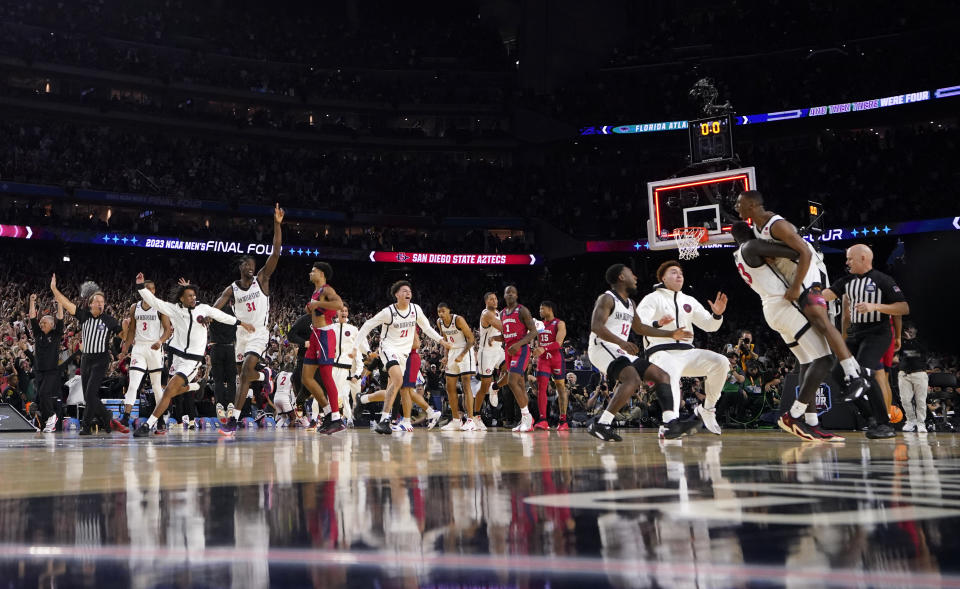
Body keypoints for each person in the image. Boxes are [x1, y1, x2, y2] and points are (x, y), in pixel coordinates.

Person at [734, 190, 870, 400]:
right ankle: (857, 371)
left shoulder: (777, 225)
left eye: (738, 203)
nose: (736, 206)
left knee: (821, 322)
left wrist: (796, 287)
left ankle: (854, 376)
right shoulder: (757, 227)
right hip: (796, 275)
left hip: (808, 273)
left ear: (752, 205)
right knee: (818, 331)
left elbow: (804, 253)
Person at [730, 221, 844, 441]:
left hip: (772, 310)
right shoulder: (752, 247)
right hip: (783, 305)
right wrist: (790, 236)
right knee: (825, 359)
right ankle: (794, 415)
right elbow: (796, 250)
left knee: (807, 361)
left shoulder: (739, 255)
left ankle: (812, 423)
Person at [132, 274, 255, 437]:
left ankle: (148, 425)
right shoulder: (174, 309)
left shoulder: (203, 309)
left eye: (194, 295)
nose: (193, 298)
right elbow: (156, 302)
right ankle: (190, 387)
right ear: (181, 298)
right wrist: (141, 286)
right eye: (189, 295)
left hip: (192, 360)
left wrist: (241, 323)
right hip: (176, 355)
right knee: (171, 391)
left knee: (168, 390)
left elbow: (222, 316)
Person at [586, 264, 693, 441]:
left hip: (620, 349)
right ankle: (602, 423)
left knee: (661, 375)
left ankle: (670, 424)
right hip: (602, 347)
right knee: (633, 379)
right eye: (631, 274)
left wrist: (670, 333)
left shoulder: (631, 304)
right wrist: (622, 341)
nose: (636, 277)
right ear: (621, 277)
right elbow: (596, 326)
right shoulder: (607, 298)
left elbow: (640, 328)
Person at [821, 244, 910, 438]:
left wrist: (875, 306)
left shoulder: (883, 280)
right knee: (837, 372)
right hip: (855, 333)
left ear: (863, 258)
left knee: (865, 372)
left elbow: (903, 308)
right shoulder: (847, 281)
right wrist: (807, 296)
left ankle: (884, 424)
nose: (846, 262)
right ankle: (870, 416)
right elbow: (828, 294)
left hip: (878, 333)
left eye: (850, 259)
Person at [636, 261, 729, 436]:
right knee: (670, 369)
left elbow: (710, 326)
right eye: (673, 272)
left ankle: (707, 409)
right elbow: (640, 323)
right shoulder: (652, 298)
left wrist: (717, 314)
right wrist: (659, 324)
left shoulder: (689, 300)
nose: (679, 275)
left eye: (681, 273)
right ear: (663, 278)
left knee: (721, 362)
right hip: (661, 352)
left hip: (687, 352)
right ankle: (670, 422)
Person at [213, 203, 284, 430]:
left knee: (244, 375)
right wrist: (207, 316)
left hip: (259, 333)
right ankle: (264, 375)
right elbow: (217, 306)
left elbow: (275, 252)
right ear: (241, 267)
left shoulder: (261, 280)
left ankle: (233, 420)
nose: (252, 266)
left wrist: (277, 224)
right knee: (243, 375)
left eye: (253, 263)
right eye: (247, 264)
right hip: (241, 334)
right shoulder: (232, 288)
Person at [357, 280, 451, 434]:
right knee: (400, 383)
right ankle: (391, 419)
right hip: (388, 348)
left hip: (404, 353)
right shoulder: (388, 312)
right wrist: (356, 347)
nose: (408, 293)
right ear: (397, 295)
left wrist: (441, 340)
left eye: (410, 291)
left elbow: (426, 327)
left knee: (393, 388)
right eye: (404, 291)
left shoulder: (415, 309)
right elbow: (368, 325)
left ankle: (369, 406)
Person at [50, 274, 125, 435]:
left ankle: (100, 419)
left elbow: (123, 336)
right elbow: (66, 303)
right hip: (86, 360)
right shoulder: (84, 316)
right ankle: (93, 424)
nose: (100, 304)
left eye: (102, 302)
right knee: (87, 396)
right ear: (90, 304)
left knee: (90, 394)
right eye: (97, 301)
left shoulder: (109, 320)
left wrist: (129, 330)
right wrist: (54, 289)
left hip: (101, 359)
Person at [298, 261, 346, 435]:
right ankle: (328, 414)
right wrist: (311, 309)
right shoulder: (316, 291)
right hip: (316, 334)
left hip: (325, 335)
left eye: (313, 270)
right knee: (306, 378)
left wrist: (318, 305)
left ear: (322, 274)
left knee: (326, 378)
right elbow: (319, 311)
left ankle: (336, 418)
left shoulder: (327, 289)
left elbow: (339, 305)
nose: (310, 273)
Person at [117, 280, 173, 428]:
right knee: (133, 383)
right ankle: (125, 417)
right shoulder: (134, 307)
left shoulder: (160, 307)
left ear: (154, 291)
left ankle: (159, 419)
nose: (150, 291)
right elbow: (132, 330)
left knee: (156, 386)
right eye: (147, 289)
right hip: (139, 348)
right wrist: (124, 349)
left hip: (155, 348)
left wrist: (160, 341)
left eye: (152, 289)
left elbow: (168, 330)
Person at [497, 285, 540, 432]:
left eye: (512, 292)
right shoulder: (502, 313)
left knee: (511, 381)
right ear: (504, 295)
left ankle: (527, 418)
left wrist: (518, 344)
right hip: (509, 351)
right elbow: (506, 335)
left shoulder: (522, 310)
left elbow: (533, 332)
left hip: (520, 350)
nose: (510, 295)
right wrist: (494, 338)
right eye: (507, 293)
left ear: (516, 295)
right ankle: (526, 420)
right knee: (520, 386)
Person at [436, 303, 478, 431]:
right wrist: (446, 355)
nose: (441, 314)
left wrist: (462, 355)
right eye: (439, 312)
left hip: (465, 351)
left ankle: (470, 420)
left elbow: (471, 339)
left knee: (466, 385)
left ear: (449, 311)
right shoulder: (439, 322)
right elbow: (445, 340)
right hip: (453, 352)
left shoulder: (458, 320)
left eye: (443, 311)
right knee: (449, 387)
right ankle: (456, 420)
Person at [28, 293, 64, 432]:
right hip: (39, 370)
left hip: (51, 371)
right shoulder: (38, 334)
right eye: (41, 322)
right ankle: (44, 423)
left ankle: (52, 416)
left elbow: (60, 317)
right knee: (40, 398)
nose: (41, 324)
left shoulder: (56, 334)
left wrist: (60, 302)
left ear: (51, 324)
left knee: (43, 394)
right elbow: (32, 317)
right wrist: (32, 302)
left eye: (44, 322)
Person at [532, 301, 569, 430]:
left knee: (560, 387)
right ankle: (543, 420)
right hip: (543, 360)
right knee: (541, 388)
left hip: (556, 359)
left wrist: (544, 348)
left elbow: (558, 343)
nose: (540, 311)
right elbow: (537, 341)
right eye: (539, 309)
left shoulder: (559, 323)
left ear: (550, 309)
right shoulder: (539, 325)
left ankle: (563, 420)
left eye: (542, 309)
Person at [473, 292, 504, 417]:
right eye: (491, 299)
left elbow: (504, 335)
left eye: (496, 298)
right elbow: (503, 327)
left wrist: (496, 338)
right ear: (486, 302)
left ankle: (495, 386)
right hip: (486, 353)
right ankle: (476, 416)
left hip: (498, 350)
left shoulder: (499, 314)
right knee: (484, 386)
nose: (495, 301)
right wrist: (520, 327)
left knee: (512, 371)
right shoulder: (486, 314)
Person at [329, 304, 361, 426]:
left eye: (346, 311)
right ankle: (329, 417)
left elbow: (359, 348)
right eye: (341, 310)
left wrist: (357, 374)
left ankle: (349, 419)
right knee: (332, 394)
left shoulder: (353, 329)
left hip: (347, 369)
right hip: (333, 366)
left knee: (345, 395)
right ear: (336, 313)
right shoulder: (331, 327)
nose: (344, 312)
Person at [897, 324, 928, 432]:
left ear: (916, 330)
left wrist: (910, 341)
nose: (908, 330)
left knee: (920, 400)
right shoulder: (901, 341)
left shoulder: (921, 341)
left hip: (919, 374)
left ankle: (921, 423)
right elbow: (899, 353)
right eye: (906, 328)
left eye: (911, 328)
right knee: (905, 399)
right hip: (904, 374)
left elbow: (919, 353)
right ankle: (911, 420)